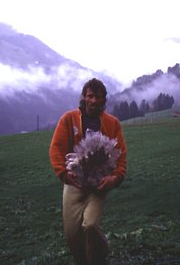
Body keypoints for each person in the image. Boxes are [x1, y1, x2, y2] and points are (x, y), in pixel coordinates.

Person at [49, 78, 127, 264]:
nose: (93, 100)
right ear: (83, 97)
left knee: (90, 225)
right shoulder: (68, 119)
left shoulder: (112, 123)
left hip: (98, 187)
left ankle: (99, 257)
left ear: (103, 100)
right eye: (90, 96)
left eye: (98, 97)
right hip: (73, 184)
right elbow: (56, 149)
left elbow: (121, 156)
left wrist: (114, 179)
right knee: (72, 236)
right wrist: (64, 174)